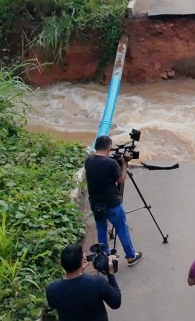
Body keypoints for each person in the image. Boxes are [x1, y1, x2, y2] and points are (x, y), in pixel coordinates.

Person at [85, 135, 142, 266]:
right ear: (109, 148)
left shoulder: (88, 160)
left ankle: (104, 257)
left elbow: (96, 158)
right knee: (122, 229)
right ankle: (131, 256)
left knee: (101, 230)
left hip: (96, 204)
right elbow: (120, 180)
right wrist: (124, 164)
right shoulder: (110, 163)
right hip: (112, 204)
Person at [45, 243, 122, 321]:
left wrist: (80, 271)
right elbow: (116, 303)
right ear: (82, 261)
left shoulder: (51, 289)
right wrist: (110, 271)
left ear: (61, 264)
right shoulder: (97, 282)